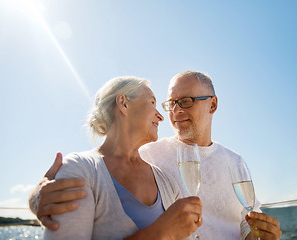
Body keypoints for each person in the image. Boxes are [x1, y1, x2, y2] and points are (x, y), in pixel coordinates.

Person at [30, 71, 282, 240]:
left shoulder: (234, 162)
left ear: (212, 105)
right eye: (169, 103)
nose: (173, 112)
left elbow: (248, 223)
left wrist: (260, 234)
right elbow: (96, 166)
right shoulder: (149, 153)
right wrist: (37, 194)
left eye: (186, 101)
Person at [39, 76, 203, 240]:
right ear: (124, 103)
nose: (161, 116)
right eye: (152, 103)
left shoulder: (166, 182)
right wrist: (160, 233)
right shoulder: (79, 169)